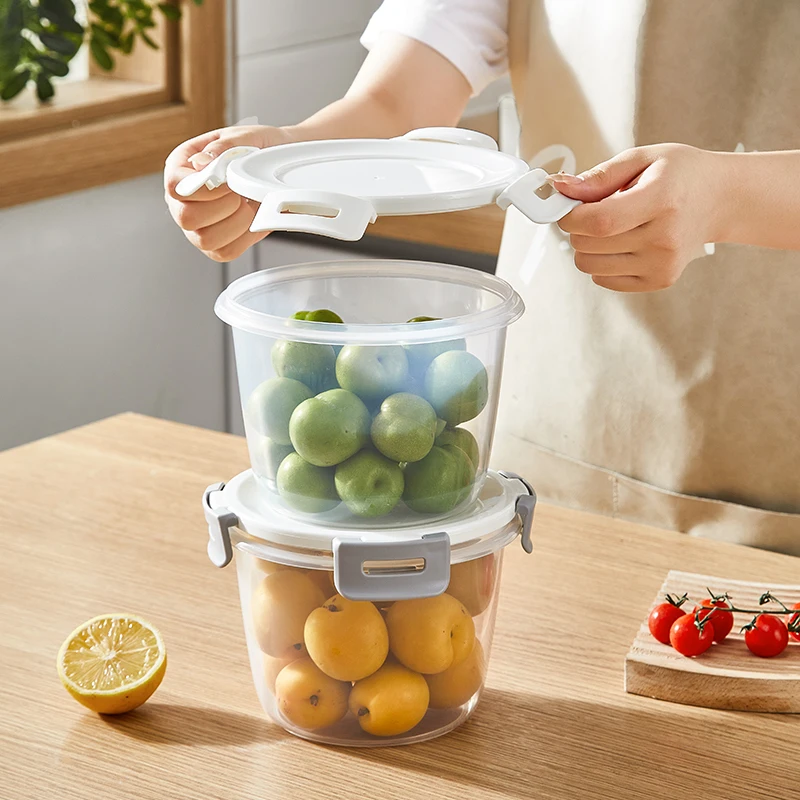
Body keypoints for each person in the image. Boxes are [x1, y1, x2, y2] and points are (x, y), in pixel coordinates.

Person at [165, 0, 800, 555]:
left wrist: (731, 197)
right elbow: (396, 101)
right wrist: (286, 156)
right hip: (544, 438)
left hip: (770, 481)